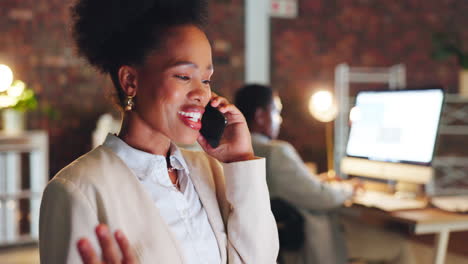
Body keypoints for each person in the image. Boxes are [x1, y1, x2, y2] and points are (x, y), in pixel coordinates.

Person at [38, 1, 279, 263]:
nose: (201, 93)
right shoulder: (78, 189)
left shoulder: (210, 171)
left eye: (206, 80)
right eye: (184, 76)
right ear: (130, 80)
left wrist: (242, 159)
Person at [234, 84, 414, 264]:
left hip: (266, 245)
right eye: (276, 112)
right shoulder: (275, 152)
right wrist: (348, 188)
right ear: (260, 116)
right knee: (400, 246)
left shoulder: (234, 151)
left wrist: (316, 180)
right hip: (310, 241)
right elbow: (321, 197)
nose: (280, 120)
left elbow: (286, 188)